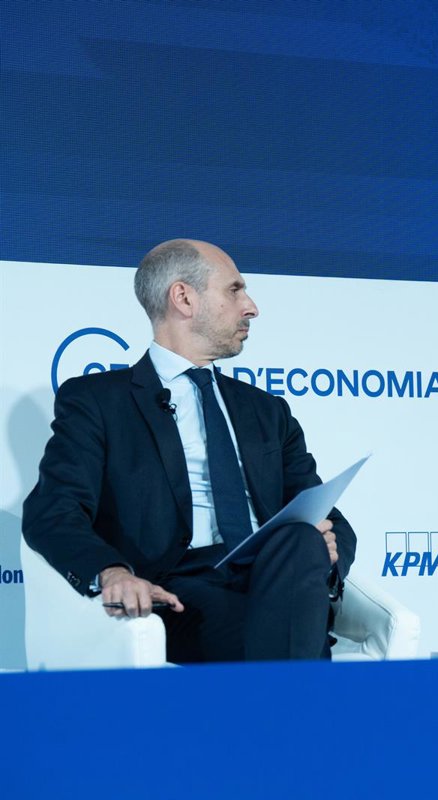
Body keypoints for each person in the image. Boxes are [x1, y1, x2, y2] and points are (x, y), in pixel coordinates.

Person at [23, 239, 355, 662]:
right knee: (287, 632)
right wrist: (111, 572)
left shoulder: (266, 411)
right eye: (235, 290)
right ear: (183, 298)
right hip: (181, 593)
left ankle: (288, 679)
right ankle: (307, 685)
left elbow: (326, 514)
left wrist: (327, 551)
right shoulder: (98, 402)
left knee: (302, 537)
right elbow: (54, 511)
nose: (252, 307)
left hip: (278, 576)